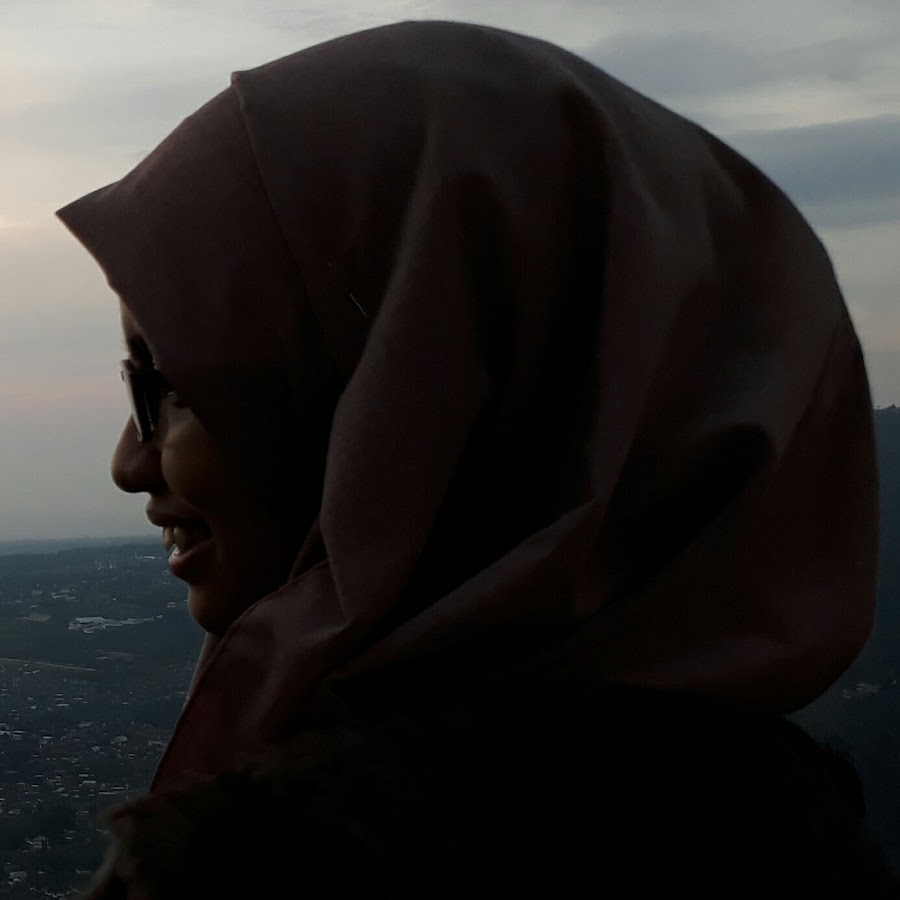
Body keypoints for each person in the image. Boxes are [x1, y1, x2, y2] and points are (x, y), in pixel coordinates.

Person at [58, 20, 896, 898]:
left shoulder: (290, 868)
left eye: (173, 386)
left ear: (409, 397)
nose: (129, 463)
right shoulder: (784, 832)